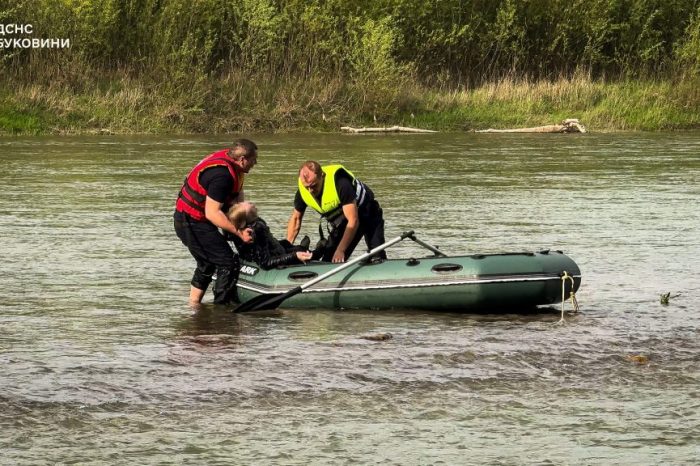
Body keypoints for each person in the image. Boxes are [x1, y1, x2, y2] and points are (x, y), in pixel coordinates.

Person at [173, 138, 258, 305]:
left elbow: (236, 196)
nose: (255, 163)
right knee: (227, 262)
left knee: (206, 264)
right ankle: (220, 309)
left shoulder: (231, 162)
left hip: (197, 219)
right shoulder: (222, 176)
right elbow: (212, 213)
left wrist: (242, 219)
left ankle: (194, 305)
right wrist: (238, 232)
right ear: (243, 159)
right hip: (190, 222)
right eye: (254, 160)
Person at [286, 161, 386, 263]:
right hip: (343, 222)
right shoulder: (303, 191)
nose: (310, 191)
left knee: (377, 257)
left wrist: (341, 250)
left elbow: (353, 221)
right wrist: (287, 249)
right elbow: (296, 219)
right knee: (329, 261)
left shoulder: (341, 183)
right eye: (307, 187)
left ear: (322, 176)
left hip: (367, 213)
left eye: (314, 186)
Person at [228, 202, 312, 270]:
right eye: (248, 205)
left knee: (289, 245)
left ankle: (304, 248)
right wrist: (295, 256)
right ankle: (308, 251)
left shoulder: (257, 222)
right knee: (300, 252)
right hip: (273, 258)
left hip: (275, 249)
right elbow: (266, 263)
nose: (251, 203)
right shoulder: (255, 231)